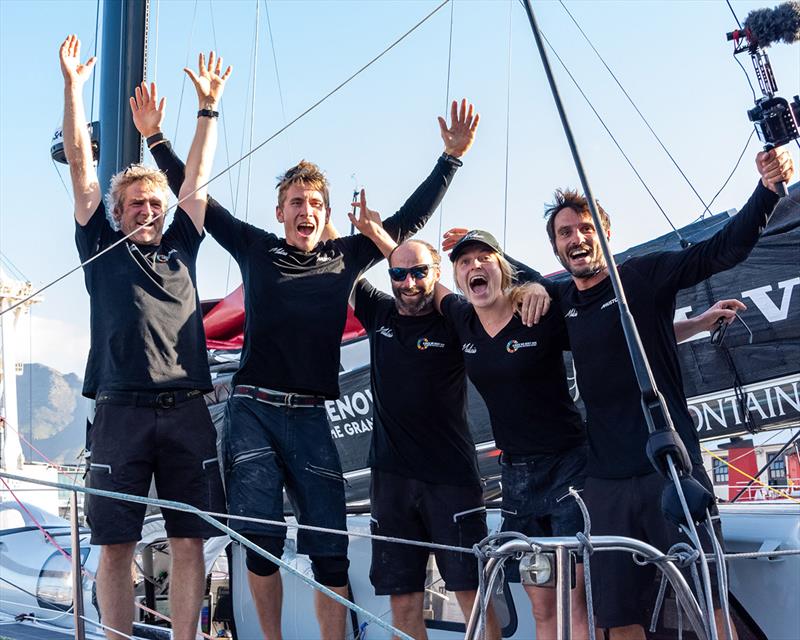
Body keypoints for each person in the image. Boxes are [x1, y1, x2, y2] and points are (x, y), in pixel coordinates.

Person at [131, 87, 479, 639]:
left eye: (315, 203)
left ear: (326, 214)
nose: (306, 211)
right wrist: (155, 137)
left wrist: (450, 158)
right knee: (261, 542)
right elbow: (192, 192)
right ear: (280, 211)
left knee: (330, 550)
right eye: (296, 202)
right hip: (253, 410)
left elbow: (408, 222)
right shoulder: (255, 247)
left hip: (312, 416)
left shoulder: (346, 258)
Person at [544, 147, 794, 639]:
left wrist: (766, 192)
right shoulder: (560, 301)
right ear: (556, 249)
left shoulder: (642, 276)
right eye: (565, 233)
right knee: (617, 616)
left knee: (708, 600)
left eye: (587, 228)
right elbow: (501, 295)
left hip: (671, 471)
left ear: (606, 234)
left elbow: (722, 249)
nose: (577, 238)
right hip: (606, 483)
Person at [60, 36, 230, 640]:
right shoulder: (100, 249)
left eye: (154, 202)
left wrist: (207, 108)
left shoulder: (183, 243)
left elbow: (197, 179)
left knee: (191, 542)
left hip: (187, 410)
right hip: (119, 413)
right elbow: (82, 165)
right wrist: (74, 90)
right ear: (118, 210)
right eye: (135, 204)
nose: (147, 211)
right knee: (114, 543)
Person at [342, 203, 500, 639]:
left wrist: (394, 245)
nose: (409, 283)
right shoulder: (378, 312)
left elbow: (494, 295)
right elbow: (337, 262)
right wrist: (370, 232)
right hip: (391, 482)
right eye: (399, 275)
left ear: (436, 275)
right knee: (403, 602)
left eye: (419, 274)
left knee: (474, 597)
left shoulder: (454, 318)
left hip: (451, 480)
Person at [427, 229, 591, 639]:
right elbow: (422, 277)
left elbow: (590, 305)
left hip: (569, 467)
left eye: (485, 258)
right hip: (516, 478)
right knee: (540, 605)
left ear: (504, 268)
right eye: (465, 262)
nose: (474, 266)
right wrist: (371, 232)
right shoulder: (463, 318)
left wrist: (538, 283)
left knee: (576, 603)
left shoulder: (536, 309)